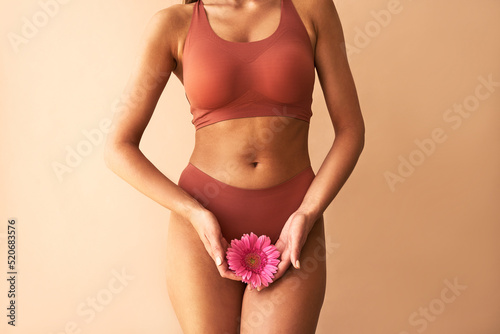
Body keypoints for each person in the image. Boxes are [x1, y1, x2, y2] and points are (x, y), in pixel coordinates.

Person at [104, 0, 364, 332]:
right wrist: (193, 212)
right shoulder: (173, 24)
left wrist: (306, 213)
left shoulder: (311, 9)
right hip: (204, 223)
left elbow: (350, 130)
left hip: (293, 221)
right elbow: (117, 146)